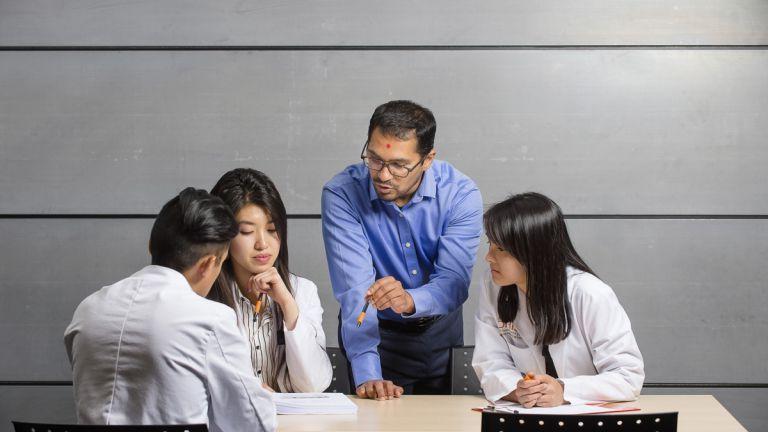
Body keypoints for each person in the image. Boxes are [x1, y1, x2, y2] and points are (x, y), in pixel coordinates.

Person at [64, 188, 276, 431]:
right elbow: (255, 425)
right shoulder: (210, 319)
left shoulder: (88, 309)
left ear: (150, 246)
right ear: (208, 265)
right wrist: (259, 394)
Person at [321, 100, 483, 400]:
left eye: (398, 165)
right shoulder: (342, 193)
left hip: (441, 337)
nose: (383, 175)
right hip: (376, 338)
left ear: (428, 158)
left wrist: (409, 299)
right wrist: (369, 374)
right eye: (374, 159)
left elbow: (452, 283)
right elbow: (355, 290)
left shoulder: (461, 194)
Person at [473, 192, 644, 407]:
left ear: (533, 251)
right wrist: (518, 390)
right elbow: (490, 362)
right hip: (524, 416)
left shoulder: (589, 292)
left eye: (501, 249)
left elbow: (628, 377)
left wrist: (563, 390)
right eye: (490, 243)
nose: (488, 257)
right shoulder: (495, 285)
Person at [207, 168, 332, 392]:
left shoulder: (302, 291)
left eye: (272, 229)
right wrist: (248, 389)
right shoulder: (204, 294)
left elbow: (314, 386)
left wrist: (288, 306)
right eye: (246, 231)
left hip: (290, 424)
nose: (262, 244)